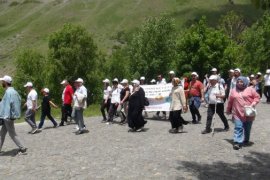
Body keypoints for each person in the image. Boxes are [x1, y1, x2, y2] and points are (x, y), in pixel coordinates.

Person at [226, 76, 260, 150]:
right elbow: (230, 101)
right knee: (238, 127)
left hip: (248, 112)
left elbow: (257, 97)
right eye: (238, 81)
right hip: (237, 112)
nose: (239, 83)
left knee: (247, 128)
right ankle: (237, 142)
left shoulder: (250, 89)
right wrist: (228, 109)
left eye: (241, 81)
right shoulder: (233, 90)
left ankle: (246, 139)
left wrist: (254, 103)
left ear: (245, 82)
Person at [0, 75, 27, 155]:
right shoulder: (14, 92)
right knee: (2, 134)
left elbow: (8, 104)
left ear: (5, 82)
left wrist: (6, 116)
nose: (1, 83)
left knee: (12, 134)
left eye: (2, 81)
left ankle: (22, 148)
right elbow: (19, 101)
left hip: (7, 116)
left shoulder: (8, 92)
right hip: (9, 116)